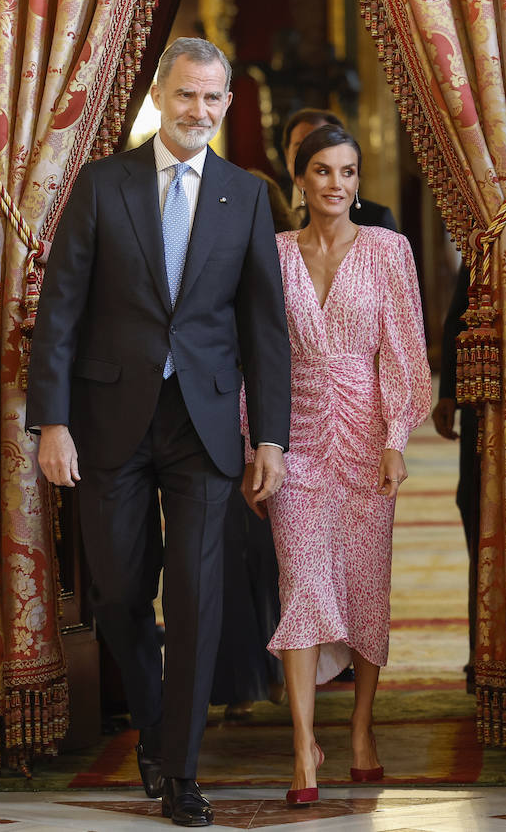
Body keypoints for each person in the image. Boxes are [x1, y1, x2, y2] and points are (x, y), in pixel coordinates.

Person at [27, 37, 290, 829]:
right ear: (160, 97)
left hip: (205, 426)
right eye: (186, 96)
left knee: (200, 599)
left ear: (225, 106)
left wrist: (269, 438)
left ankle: (180, 770)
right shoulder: (104, 185)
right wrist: (52, 421)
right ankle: (152, 721)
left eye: (213, 99)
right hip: (109, 424)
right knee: (117, 592)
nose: (199, 112)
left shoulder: (245, 195)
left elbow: (265, 329)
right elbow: (60, 311)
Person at [255, 124, 430, 806]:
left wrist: (396, 439)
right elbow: (257, 357)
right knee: (300, 583)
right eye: (323, 171)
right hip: (292, 442)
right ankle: (303, 747)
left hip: (366, 443)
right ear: (300, 179)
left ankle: (360, 730)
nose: (337, 184)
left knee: (363, 589)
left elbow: (405, 353)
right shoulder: (270, 255)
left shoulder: (389, 250)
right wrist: (256, 446)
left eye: (349, 171)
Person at [209, 169, 295, 720]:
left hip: (275, 420)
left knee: (274, 555)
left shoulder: (287, 259)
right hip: (216, 416)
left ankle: (286, 671)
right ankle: (237, 682)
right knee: (225, 558)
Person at [433, 260, 481, 693]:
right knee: (478, 513)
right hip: (483, 407)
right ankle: (481, 654)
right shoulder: (489, 230)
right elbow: (459, 317)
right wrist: (448, 390)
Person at [279, 108, 397, 232]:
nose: (309, 158)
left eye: (323, 148)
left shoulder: (376, 220)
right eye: (301, 149)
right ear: (287, 155)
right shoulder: (267, 208)